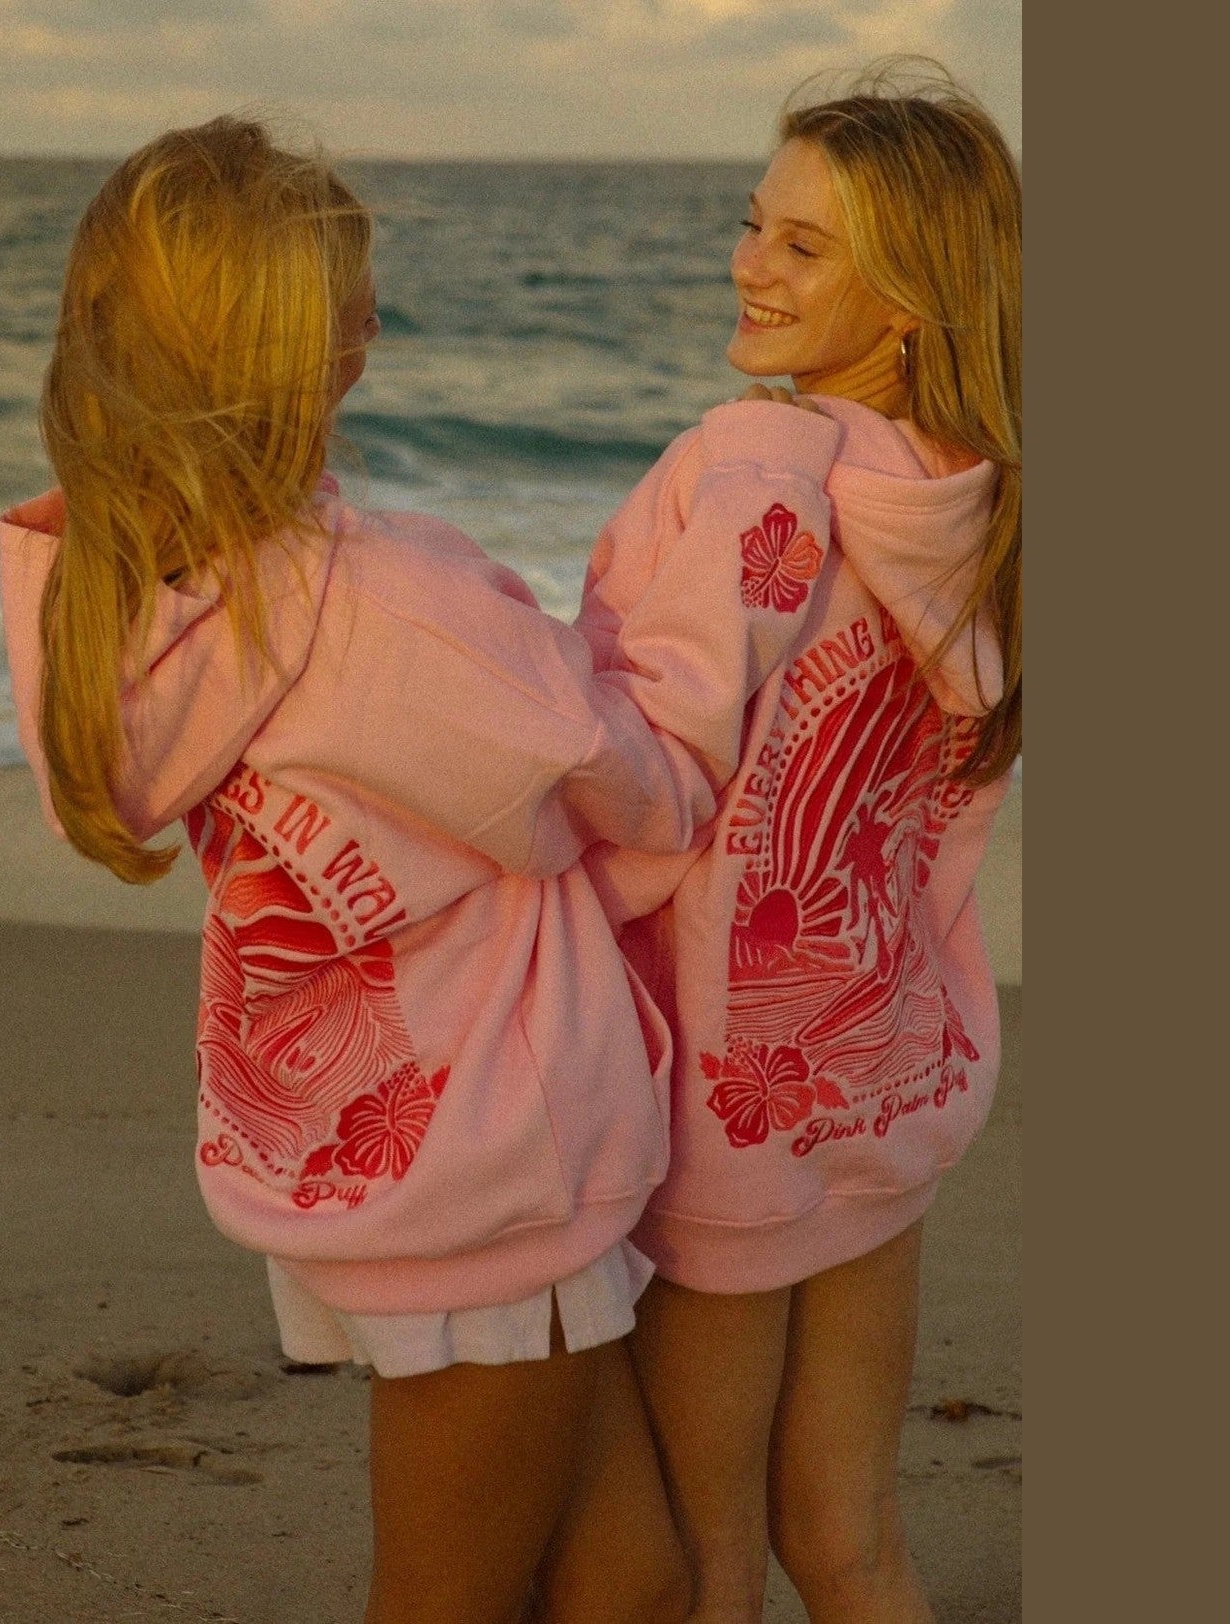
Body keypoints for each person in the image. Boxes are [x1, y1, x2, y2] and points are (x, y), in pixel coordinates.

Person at [0, 117, 855, 1623]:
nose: (377, 332)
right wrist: (757, 482)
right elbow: (651, 784)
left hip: (367, 1149)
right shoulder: (385, 610)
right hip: (487, 1176)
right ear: (286, 353)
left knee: (633, 1588)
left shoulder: (137, 596)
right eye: (354, 307)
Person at [566, 59, 1021, 1623]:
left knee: (708, 1569)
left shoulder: (751, 471)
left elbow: (643, 779)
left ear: (913, 299)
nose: (748, 264)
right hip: (876, 1072)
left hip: (721, 1111)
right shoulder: (976, 504)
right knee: (851, 1542)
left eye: (804, 246)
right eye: (753, 223)